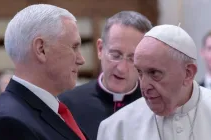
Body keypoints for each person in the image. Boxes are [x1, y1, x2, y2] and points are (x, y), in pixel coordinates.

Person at [97, 25, 211, 140]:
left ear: (188, 73)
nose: (144, 86)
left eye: (154, 73)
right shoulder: (116, 128)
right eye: (140, 72)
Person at [0, 4, 87, 140]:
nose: (81, 60)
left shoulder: (53, 109)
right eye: (74, 47)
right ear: (41, 49)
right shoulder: (9, 124)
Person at [59, 11, 152, 140]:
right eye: (115, 55)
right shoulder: (66, 104)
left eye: (133, 58)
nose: (122, 69)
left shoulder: (154, 105)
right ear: (100, 49)